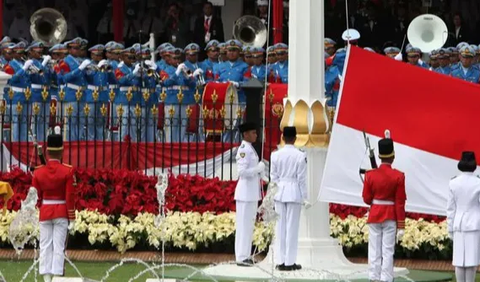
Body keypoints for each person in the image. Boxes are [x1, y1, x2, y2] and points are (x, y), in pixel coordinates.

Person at [32, 126, 76, 282]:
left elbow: (36, 196)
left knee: (45, 246)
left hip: (45, 210)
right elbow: (69, 196)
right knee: (58, 246)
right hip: (61, 211)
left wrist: (40, 208)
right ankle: (57, 277)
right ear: (61, 151)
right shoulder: (68, 171)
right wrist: (72, 217)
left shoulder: (38, 172)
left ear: (47, 151)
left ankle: (46, 278)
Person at [362, 130, 406, 282]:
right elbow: (400, 202)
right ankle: (386, 279)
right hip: (390, 216)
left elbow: (367, 199)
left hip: (375, 214)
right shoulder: (399, 176)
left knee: (374, 250)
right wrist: (401, 225)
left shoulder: (370, 175)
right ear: (393, 156)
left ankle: (373, 278)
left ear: (379, 156)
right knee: (388, 251)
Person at [270, 126, 310, 271]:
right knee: (292, 228)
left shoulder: (275, 155)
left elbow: (273, 178)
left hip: (280, 191)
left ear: (283, 137)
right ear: (295, 138)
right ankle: (289, 262)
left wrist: (272, 195)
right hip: (293, 192)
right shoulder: (300, 155)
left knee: (280, 228)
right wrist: (305, 197)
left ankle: (281, 261)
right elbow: (302, 179)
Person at [234, 122, 265, 266]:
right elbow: (242, 172)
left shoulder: (250, 148)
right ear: (245, 134)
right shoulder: (244, 150)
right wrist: (257, 169)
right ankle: (241, 256)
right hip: (245, 194)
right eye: (253, 132)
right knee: (243, 225)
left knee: (248, 225)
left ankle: (245, 255)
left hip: (251, 193)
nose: (255, 135)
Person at [447, 151, 480, 282]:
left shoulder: (453, 182)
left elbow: (450, 208)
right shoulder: (478, 182)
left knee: (459, 261)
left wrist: (450, 228)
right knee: (471, 261)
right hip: (474, 223)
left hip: (458, 224)